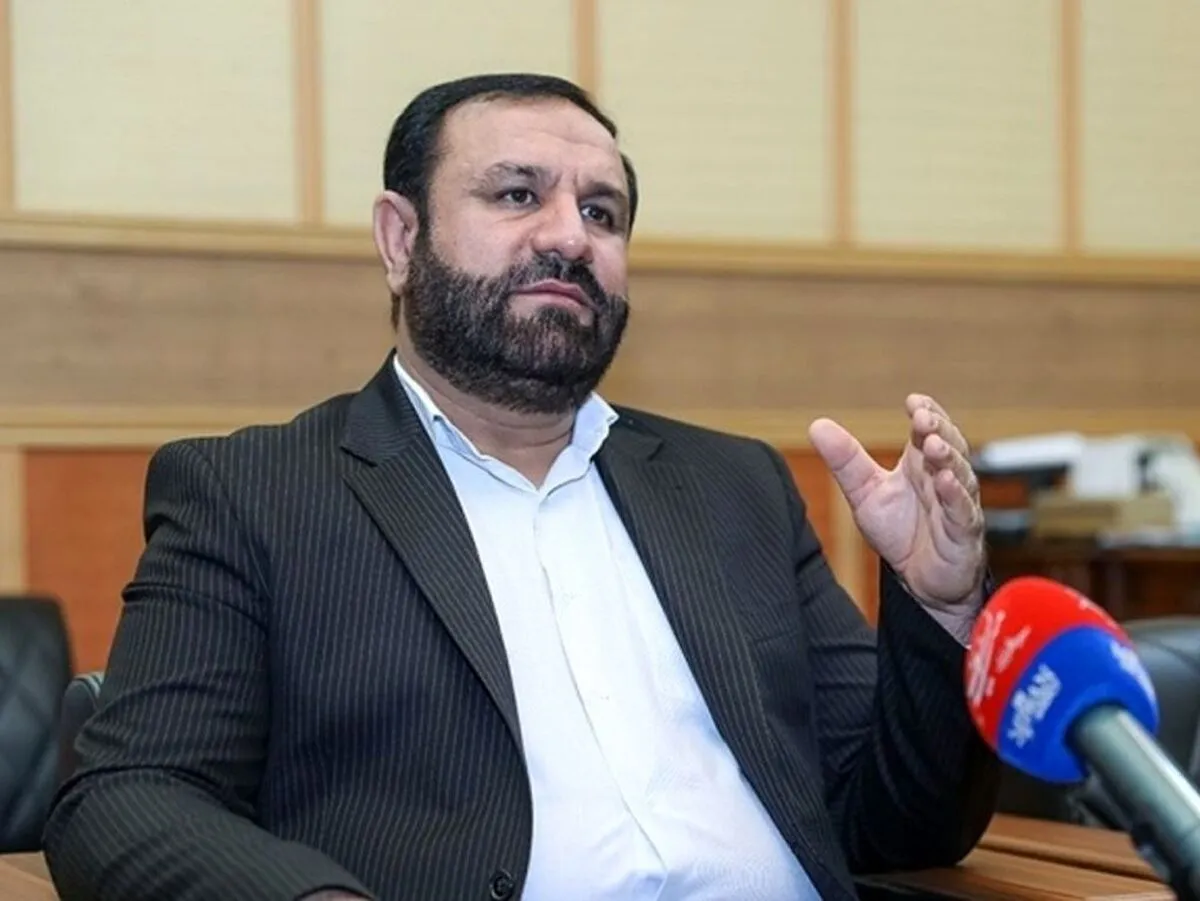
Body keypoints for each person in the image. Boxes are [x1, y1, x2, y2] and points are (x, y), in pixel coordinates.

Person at [43, 73, 999, 901]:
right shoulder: (255, 493)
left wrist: (940, 604)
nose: (570, 238)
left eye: (602, 213)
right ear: (400, 238)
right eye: (516, 194)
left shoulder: (735, 486)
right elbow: (128, 798)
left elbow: (899, 825)